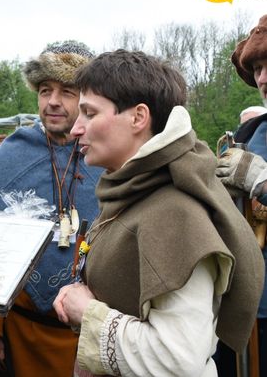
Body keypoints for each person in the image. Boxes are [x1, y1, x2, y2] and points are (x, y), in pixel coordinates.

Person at [53, 49, 264, 376]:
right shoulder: (134, 193)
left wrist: (88, 313)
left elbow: (178, 361)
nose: (76, 128)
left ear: (138, 117)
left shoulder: (172, 214)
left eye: (90, 114)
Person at [0, 41, 103, 376]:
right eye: (44, 89)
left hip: (89, 335)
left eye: (67, 91)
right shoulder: (14, 153)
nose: (52, 101)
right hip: (17, 335)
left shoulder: (108, 155)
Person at [215, 14, 267, 377]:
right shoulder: (249, 132)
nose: (263, 79)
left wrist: (261, 181)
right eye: (259, 68)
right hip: (244, 311)